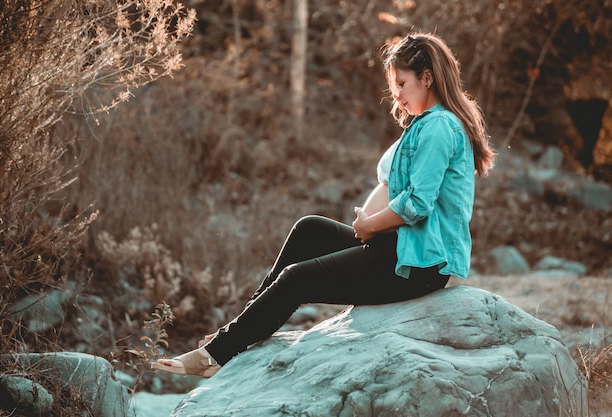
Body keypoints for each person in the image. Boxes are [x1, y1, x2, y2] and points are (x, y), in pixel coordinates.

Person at [151, 31, 495, 377]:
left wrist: (371, 225)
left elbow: (416, 204)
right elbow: (391, 183)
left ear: (427, 77)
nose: (398, 97)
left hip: (420, 266)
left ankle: (218, 353)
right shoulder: (425, 125)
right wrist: (368, 224)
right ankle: (242, 327)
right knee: (310, 229)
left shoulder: (438, 127)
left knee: (297, 278)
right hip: (402, 249)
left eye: (402, 85)